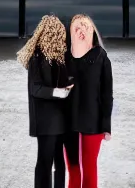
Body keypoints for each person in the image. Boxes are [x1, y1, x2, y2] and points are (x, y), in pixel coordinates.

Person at [17, 14, 74, 188]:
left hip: (57, 119)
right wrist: (60, 93)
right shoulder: (38, 58)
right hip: (48, 121)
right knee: (48, 162)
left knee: (54, 162)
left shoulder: (60, 57)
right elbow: (36, 89)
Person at [63, 14, 113, 188]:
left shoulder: (101, 58)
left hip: (94, 123)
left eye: (85, 26)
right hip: (68, 123)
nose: (81, 30)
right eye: (77, 27)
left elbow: (107, 94)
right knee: (74, 169)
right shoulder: (65, 59)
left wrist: (106, 125)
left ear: (92, 31)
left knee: (89, 168)